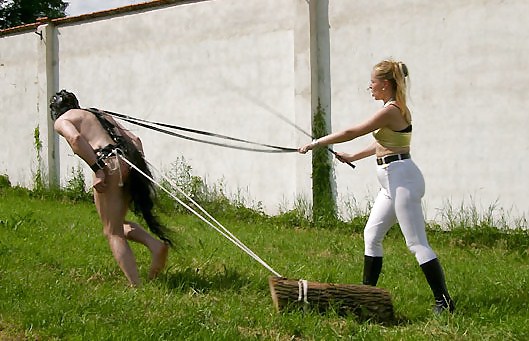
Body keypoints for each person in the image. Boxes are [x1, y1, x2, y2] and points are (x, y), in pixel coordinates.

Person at [298, 59, 455, 314]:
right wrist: (352, 157)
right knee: (371, 236)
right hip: (391, 181)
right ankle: (366, 296)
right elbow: (383, 145)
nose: (369, 87)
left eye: (372, 82)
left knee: (416, 243)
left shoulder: (391, 110)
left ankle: (444, 302)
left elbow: (353, 131)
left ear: (384, 84)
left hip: (403, 179)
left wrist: (315, 143)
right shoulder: (392, 109)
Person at [50, 90, 173, 287]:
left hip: (107, 164)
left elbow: (75, 140)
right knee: (116, 222)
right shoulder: (98, 114)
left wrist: (98, 169)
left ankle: (137, 286)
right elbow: (135, 141)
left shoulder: (63, 120)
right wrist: (133, 169)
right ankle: (154, 245)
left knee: (112, 232)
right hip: (129, 161)